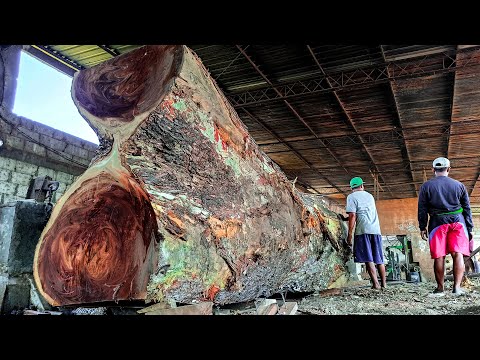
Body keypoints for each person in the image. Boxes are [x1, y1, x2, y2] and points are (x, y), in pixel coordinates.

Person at [417, 157, 474, 295]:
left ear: (433, 170)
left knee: (439, 256)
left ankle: (440, 288)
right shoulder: (459, 185)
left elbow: (422, 208)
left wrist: (422, 226)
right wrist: (470, 227)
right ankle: (457, 288)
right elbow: (467, 208)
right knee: (458, 254)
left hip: (437, 222)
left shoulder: (426, 186)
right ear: (448, 169)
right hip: (458, 222)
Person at [346, 177, 386, 289]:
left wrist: (349, 234)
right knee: (379, 259)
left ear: (351, 187)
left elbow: (353, 215)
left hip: (363, 230)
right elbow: (363, 212)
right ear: (362, 186)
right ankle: (384, 284)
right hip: (376, 230)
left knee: (369, 258)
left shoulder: (351, 197)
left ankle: (376, 284)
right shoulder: (369, 196)